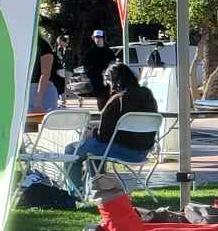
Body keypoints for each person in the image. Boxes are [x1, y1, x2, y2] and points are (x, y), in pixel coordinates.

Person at [62, 62, 159, 196]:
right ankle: (97, 189)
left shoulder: (117, 100)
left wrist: (92, 132)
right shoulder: (147, 95)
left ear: (113, 81)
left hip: (122, 150)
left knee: (71, 150)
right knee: (94, 149)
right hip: (143, 151)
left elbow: (104, 136)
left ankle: (75, 193)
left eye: (107, 81)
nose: (107, 85)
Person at [27, 23, 60, 113]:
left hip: (42, 91)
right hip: (27, 90)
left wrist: (38, 99)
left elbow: (45, 74)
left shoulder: (42, 44)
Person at [80, 28, 116, 101]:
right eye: (96, 37)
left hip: (108, 79)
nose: (98, 39)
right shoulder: (90, 52)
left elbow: (113, 64)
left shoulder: (109, 51)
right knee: (100, 99)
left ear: (103, 38)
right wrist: (91, 75)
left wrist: (107, 72)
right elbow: (86, 66)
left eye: (100, 37)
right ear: (93, 38)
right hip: (96, 80)